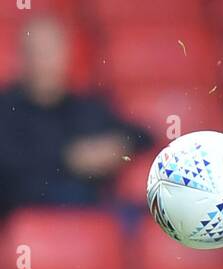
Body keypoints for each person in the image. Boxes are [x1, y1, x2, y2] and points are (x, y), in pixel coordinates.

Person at [0, 15, 149, 216]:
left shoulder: (87, 107)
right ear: (21, 56)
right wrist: (69, 158)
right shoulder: (6, 108)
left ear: (66, 54)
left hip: (90, 221)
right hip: (22, 220)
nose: (43, 61)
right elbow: (11, 168)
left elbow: (143, 135)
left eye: (50, 51)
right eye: (35, 52)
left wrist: (117, 146)